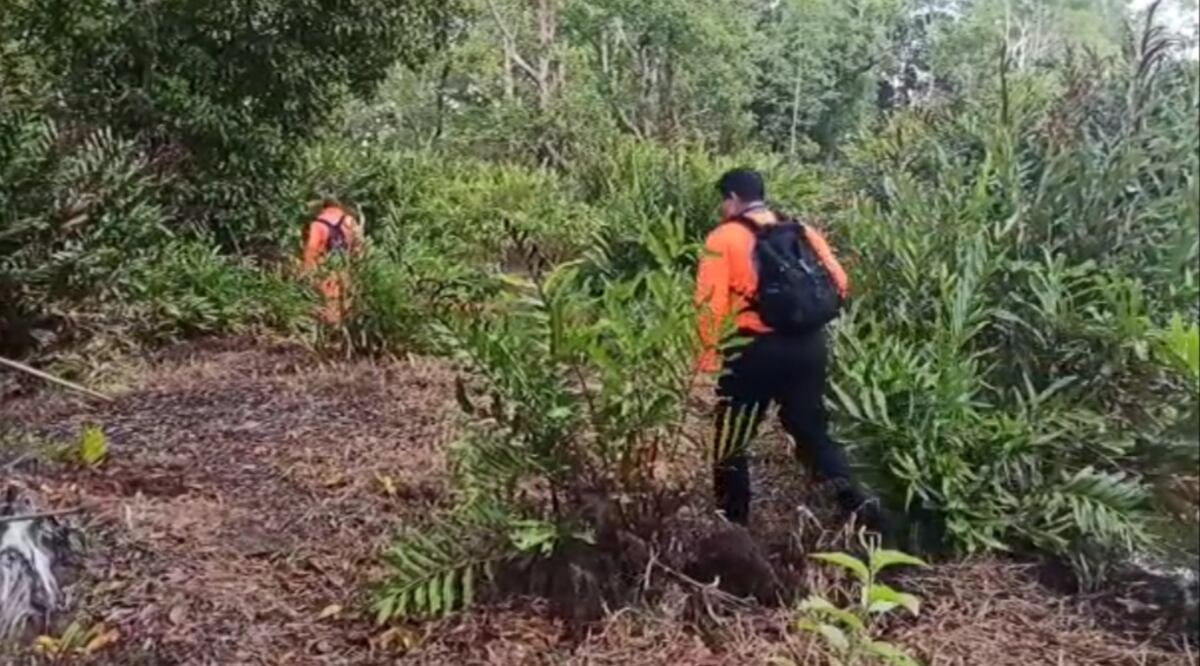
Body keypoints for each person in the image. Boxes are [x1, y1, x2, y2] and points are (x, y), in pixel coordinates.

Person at [695, 168, 885, 532]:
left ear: (733, 198)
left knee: (731, 438)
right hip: (809, 346)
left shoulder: (724, 239)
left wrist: (706, 364)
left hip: (753, 350)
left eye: (724, 201)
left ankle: (733, 527)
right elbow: (840, 284)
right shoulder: (801, 230)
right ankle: (859, 509)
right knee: (812, 432)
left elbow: (710, 306)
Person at [302, 199, 362, 325]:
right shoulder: (350, 220)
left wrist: (307, 271)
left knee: (328, 303)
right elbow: (359, 247)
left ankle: (330, 329)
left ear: (323, 208)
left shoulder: (318, 224)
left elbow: (312, 249)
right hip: (346, 268)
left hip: (327, 269)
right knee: (346, 301)